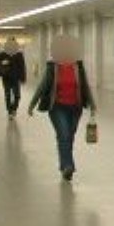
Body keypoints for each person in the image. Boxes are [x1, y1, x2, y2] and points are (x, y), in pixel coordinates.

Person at [28, 35, 96, 181]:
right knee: (64, 135)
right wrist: (32, 104)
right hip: (57, 107)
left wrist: (92, 104)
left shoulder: (78, 66)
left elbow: (85, 85)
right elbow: (43, 85)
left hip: (76, 107)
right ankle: (68, 166)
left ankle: (64, 164)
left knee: (69, 136)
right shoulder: (53, 67)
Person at [0, 38, 27, 118]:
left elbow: (22, 67)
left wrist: (23, 78)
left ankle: (14, 109)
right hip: (6, 78)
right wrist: (2, 62)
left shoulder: (19, 54)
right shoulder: (3, 54)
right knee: (8, 96)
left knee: (17, 96)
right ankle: (9, 111)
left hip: (16, 79)